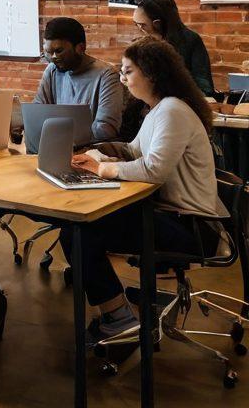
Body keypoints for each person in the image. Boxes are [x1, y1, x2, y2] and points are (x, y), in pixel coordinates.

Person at [60, 38, 227, 344]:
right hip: (172, 215)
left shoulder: (172, 110)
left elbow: (153, 170)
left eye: (127, 72)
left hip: (192, 225)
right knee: (79, 230)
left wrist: (102, 169)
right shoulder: (159, 109)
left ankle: (118, 319)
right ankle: (117, 314)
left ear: (151, 74)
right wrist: (96, 156)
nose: (123, 79)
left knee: (78, 234)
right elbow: (134, 152)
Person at [34, 17, 123, 141]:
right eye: (48, 52)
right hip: (58, 145)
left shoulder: (107, 75)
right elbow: (37, 113)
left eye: (59, 51)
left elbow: (107, 129)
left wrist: (60, 133)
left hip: (93, 152)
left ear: (80, 48)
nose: (53, 57)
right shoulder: (52, 70)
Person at [132, 0, 214, 95]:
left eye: (142, 25)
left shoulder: (190, 40)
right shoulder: (142, 42)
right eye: (136, 24)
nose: (140, 29)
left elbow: (204, 86)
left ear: (157, 24)